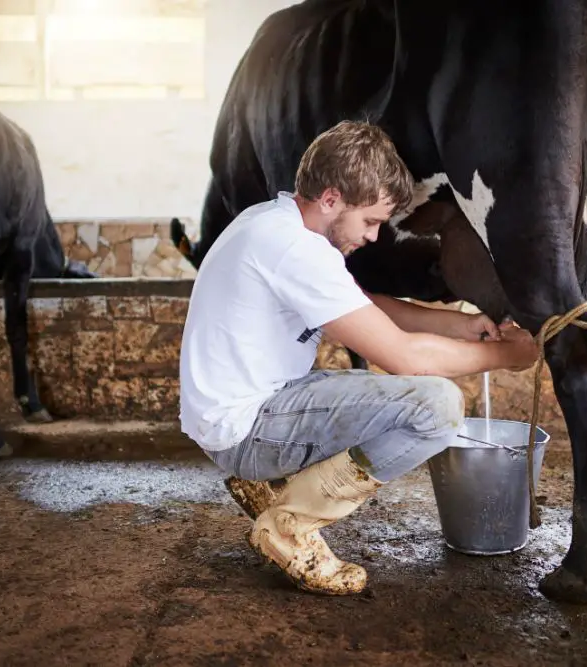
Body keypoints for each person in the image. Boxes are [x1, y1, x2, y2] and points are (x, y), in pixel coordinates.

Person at [178, 119, 538, 596]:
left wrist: (460, 324)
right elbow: (405, 358)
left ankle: (272, 488)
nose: (372, 237)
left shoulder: (273, 222)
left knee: (392, 395)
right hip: (245, 430)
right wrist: (503, 355)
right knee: (436, 407)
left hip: (246, 409)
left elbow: (366, 307)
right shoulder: (294, 250)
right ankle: (290, 522)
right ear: (330, 199)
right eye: (369, 221)